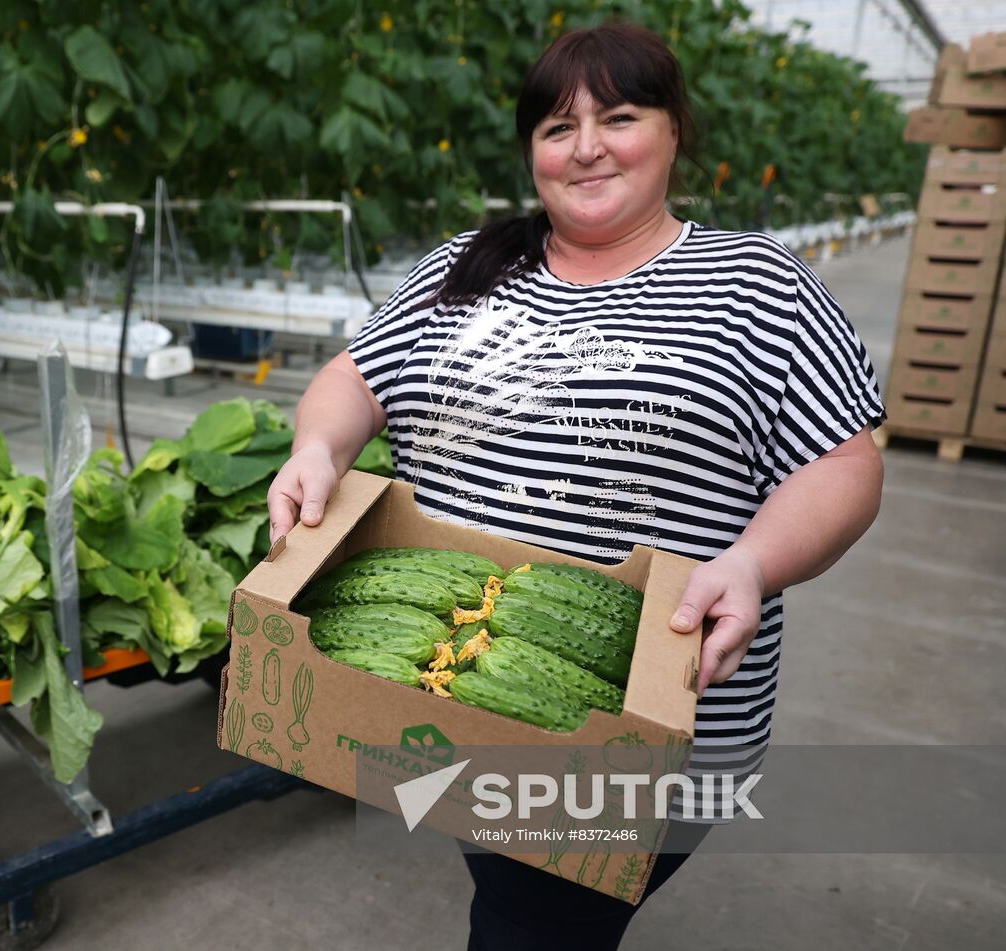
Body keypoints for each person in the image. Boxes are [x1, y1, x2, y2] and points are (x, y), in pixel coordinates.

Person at [266, 19, 886, 951]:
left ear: (674, 130)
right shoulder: (465, 265)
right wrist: (319, 448)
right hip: (449, 678)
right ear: (532, 153)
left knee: (536, 922)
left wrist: (754, 564)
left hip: (646, 721)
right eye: (558, 128)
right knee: (516, 889)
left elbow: (842, 463)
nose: (587, 147)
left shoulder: (758, 284)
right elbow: (355, 378)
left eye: (619, 118)